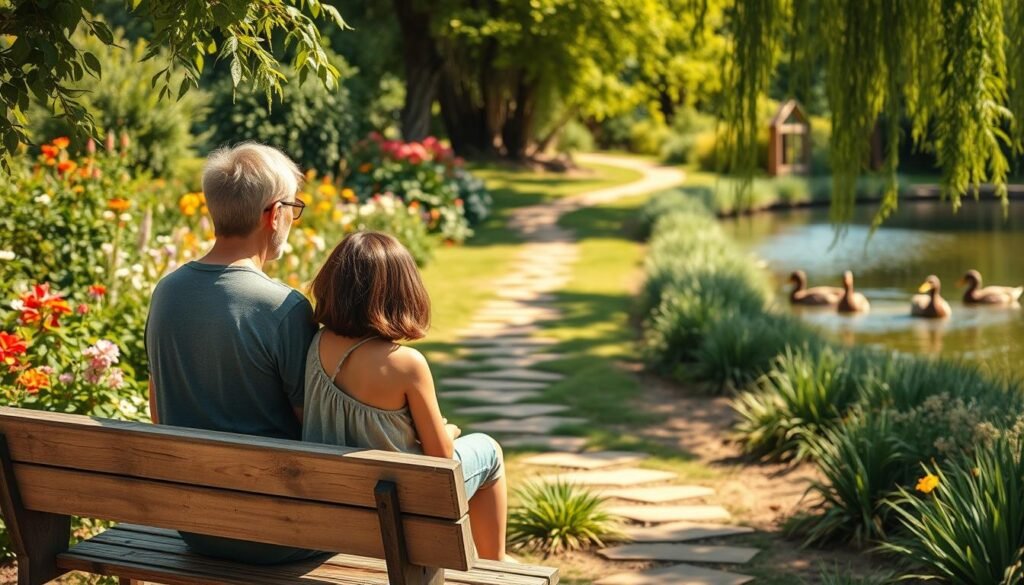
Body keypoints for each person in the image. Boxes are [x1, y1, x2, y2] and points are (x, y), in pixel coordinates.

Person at [145, 143, 322, 564]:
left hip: (198, 529)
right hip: (280, 532)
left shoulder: (166, 292)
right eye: (293, 210)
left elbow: (158, 411)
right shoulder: (284, 307)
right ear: (273, 214)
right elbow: (314, 429)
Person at [303, 231, 508, 560]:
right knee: (489, 451)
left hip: (333, 511)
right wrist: (447, 432)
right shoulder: (405, 365)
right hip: (400, 516)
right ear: (400, 292)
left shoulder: (316, 346)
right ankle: (494, 563)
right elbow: (442, 463)